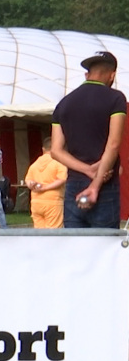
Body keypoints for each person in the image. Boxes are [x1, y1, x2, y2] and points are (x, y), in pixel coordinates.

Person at [51, 51, 126, 228]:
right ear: (112, 75)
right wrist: (95, 184)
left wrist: (86, 169)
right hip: (104, 185)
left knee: (75, 246)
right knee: (104, 247)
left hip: (73, 184)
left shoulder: (63, 104)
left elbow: (56, 150)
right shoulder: (116, 99)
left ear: (87, 74)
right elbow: (113, 144)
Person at [24, 137, 67, 228]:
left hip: (36, 202)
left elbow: (28, 180)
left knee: (39, 234)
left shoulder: (34, 164)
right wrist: (45, 187)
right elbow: (62, 179)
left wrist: (32, 185)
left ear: (43, 149)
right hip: (53, 201)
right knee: (53, 234)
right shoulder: (58, 162)